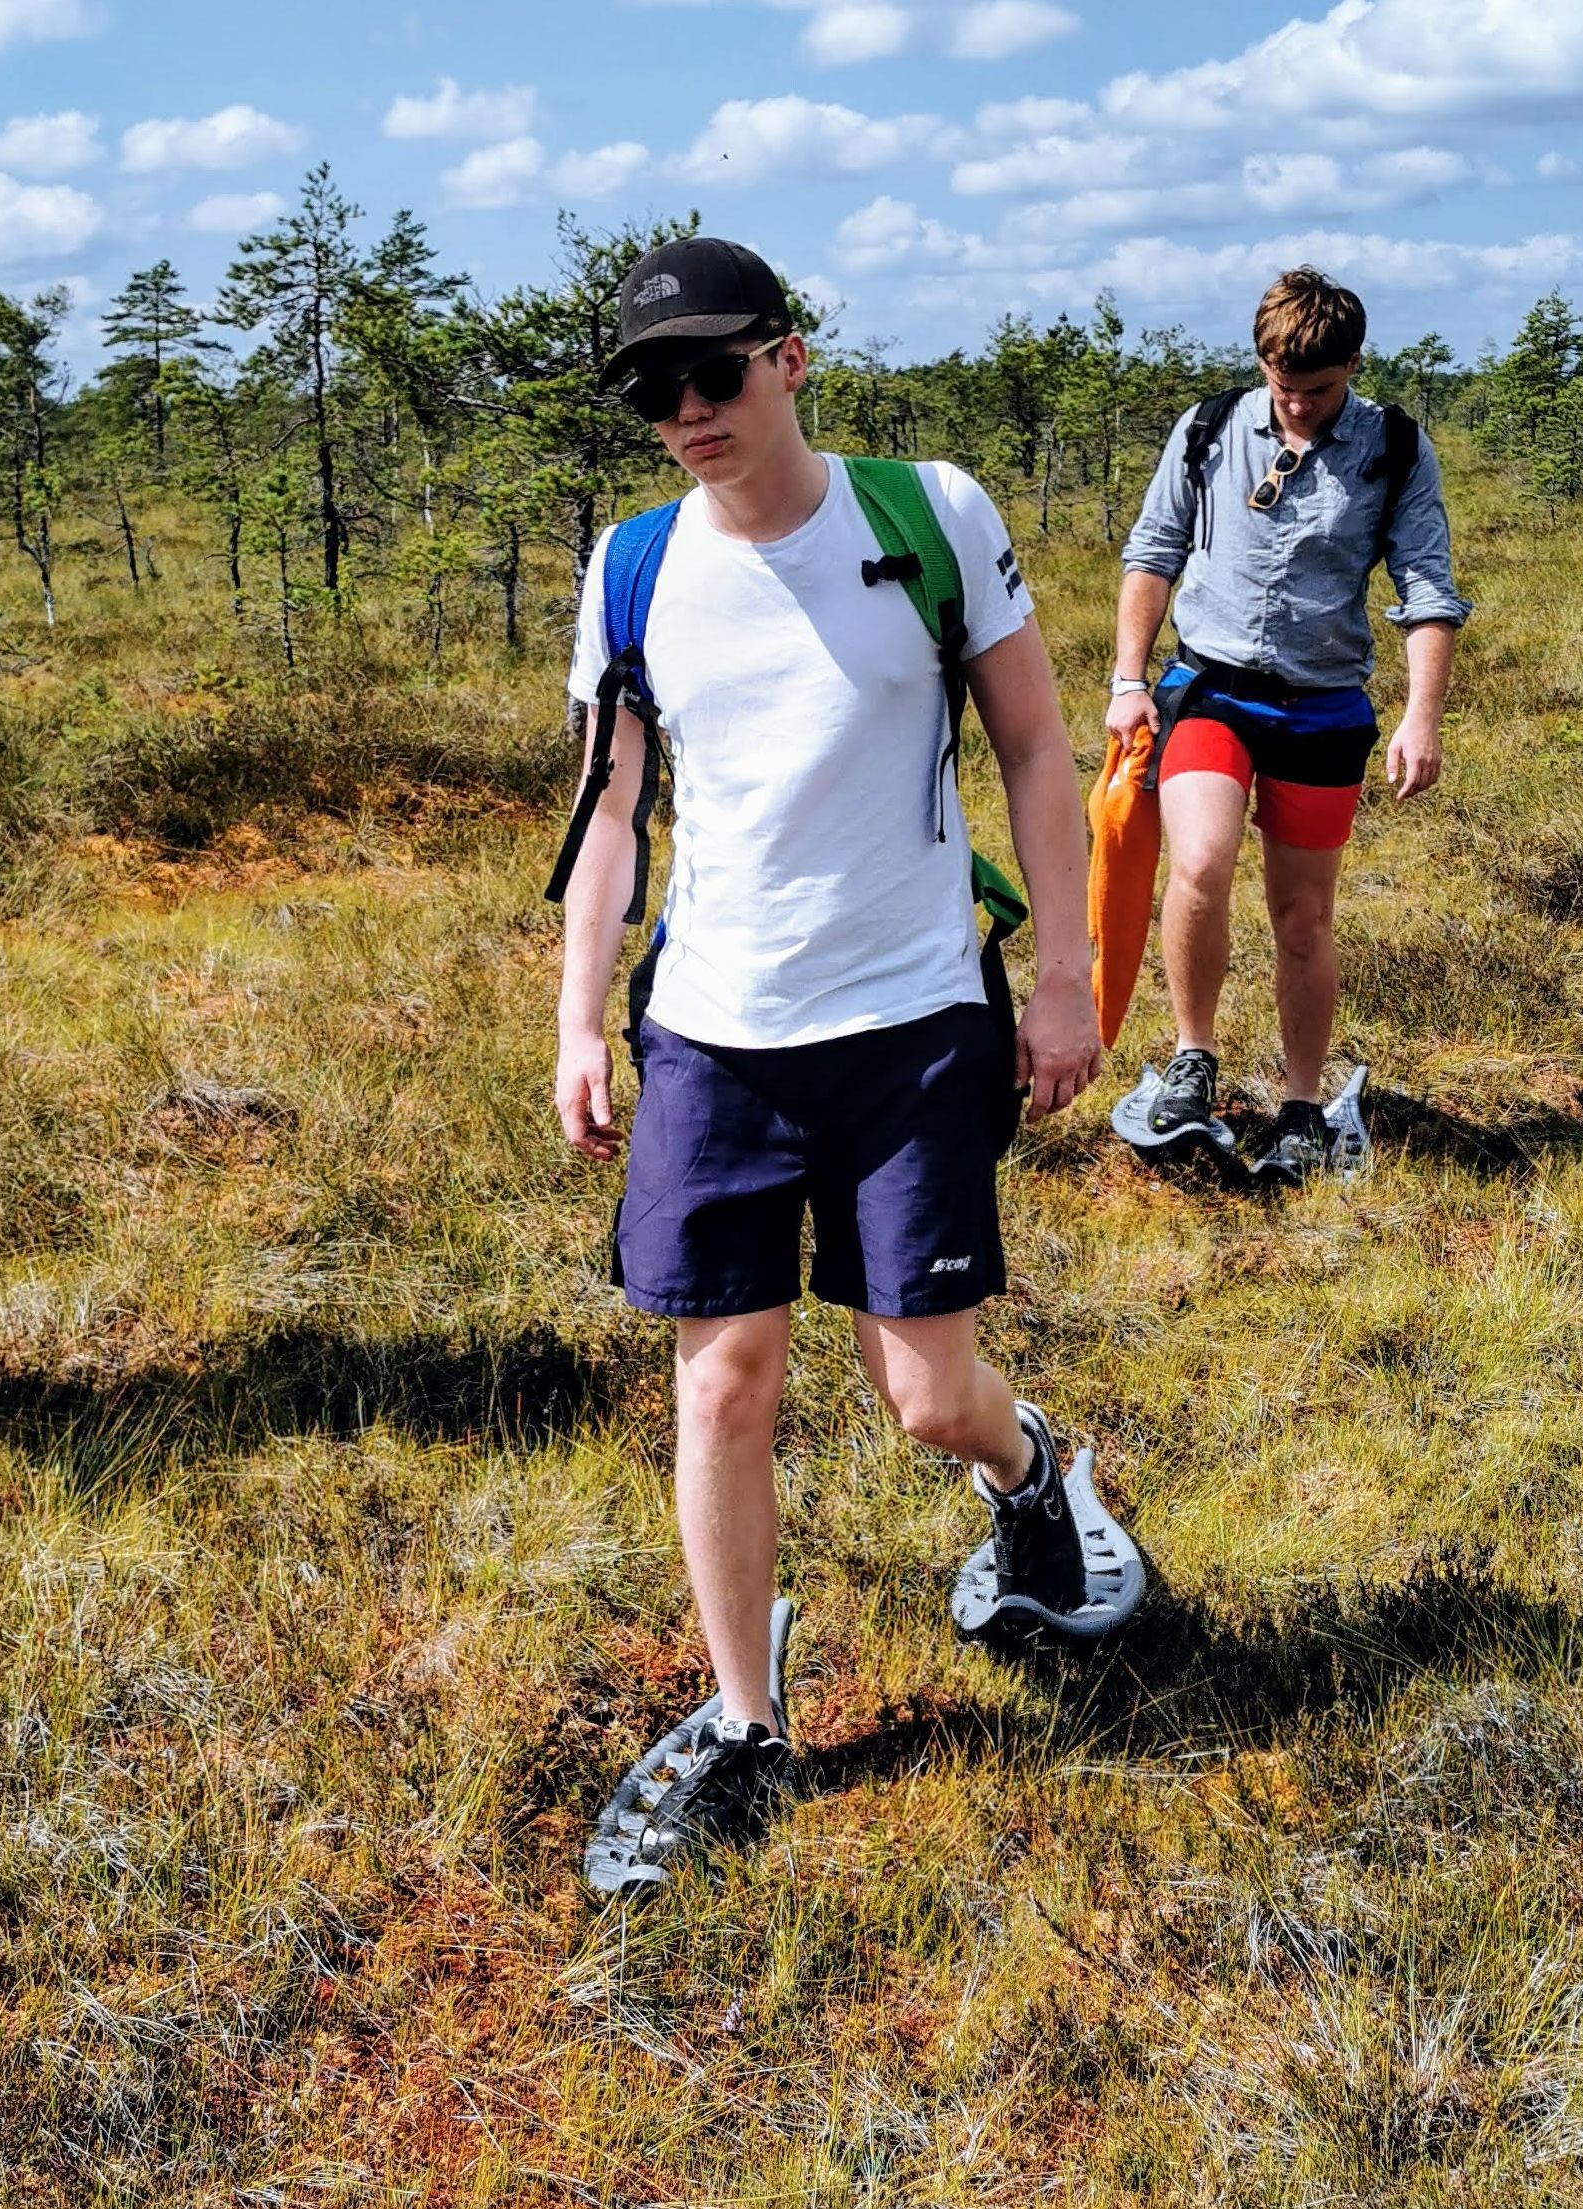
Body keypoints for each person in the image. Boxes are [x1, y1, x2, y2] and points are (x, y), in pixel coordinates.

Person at [552, 236, 1107, 1887]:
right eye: (655, 390)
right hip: (716, 1029)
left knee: (925, 1389)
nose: (688, 413)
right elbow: (606, 816)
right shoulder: (633, 567)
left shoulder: (927, 514)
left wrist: (1065, 980)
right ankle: (743, 1714)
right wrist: (582, 1016)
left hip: (914, 1017)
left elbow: (1032, 744)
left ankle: (1032, 1470)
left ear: (791, 357)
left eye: (714, 374)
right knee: (721, 1380)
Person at [1111, 268, 1473, 1178]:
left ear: (1353, 363)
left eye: (1317, 390)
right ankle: (1192, 1061)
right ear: (1260, 362)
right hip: (1212, 691)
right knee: (1198, 861)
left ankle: (1302, 1107)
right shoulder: (1206, 429)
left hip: (1321, 707)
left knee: (1303, 916)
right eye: (1283, 388)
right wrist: (1127, 678)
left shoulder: (1391, 446)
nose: (1298, 406)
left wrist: (1420, 717)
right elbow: (1152, 552)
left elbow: (1426, 589)